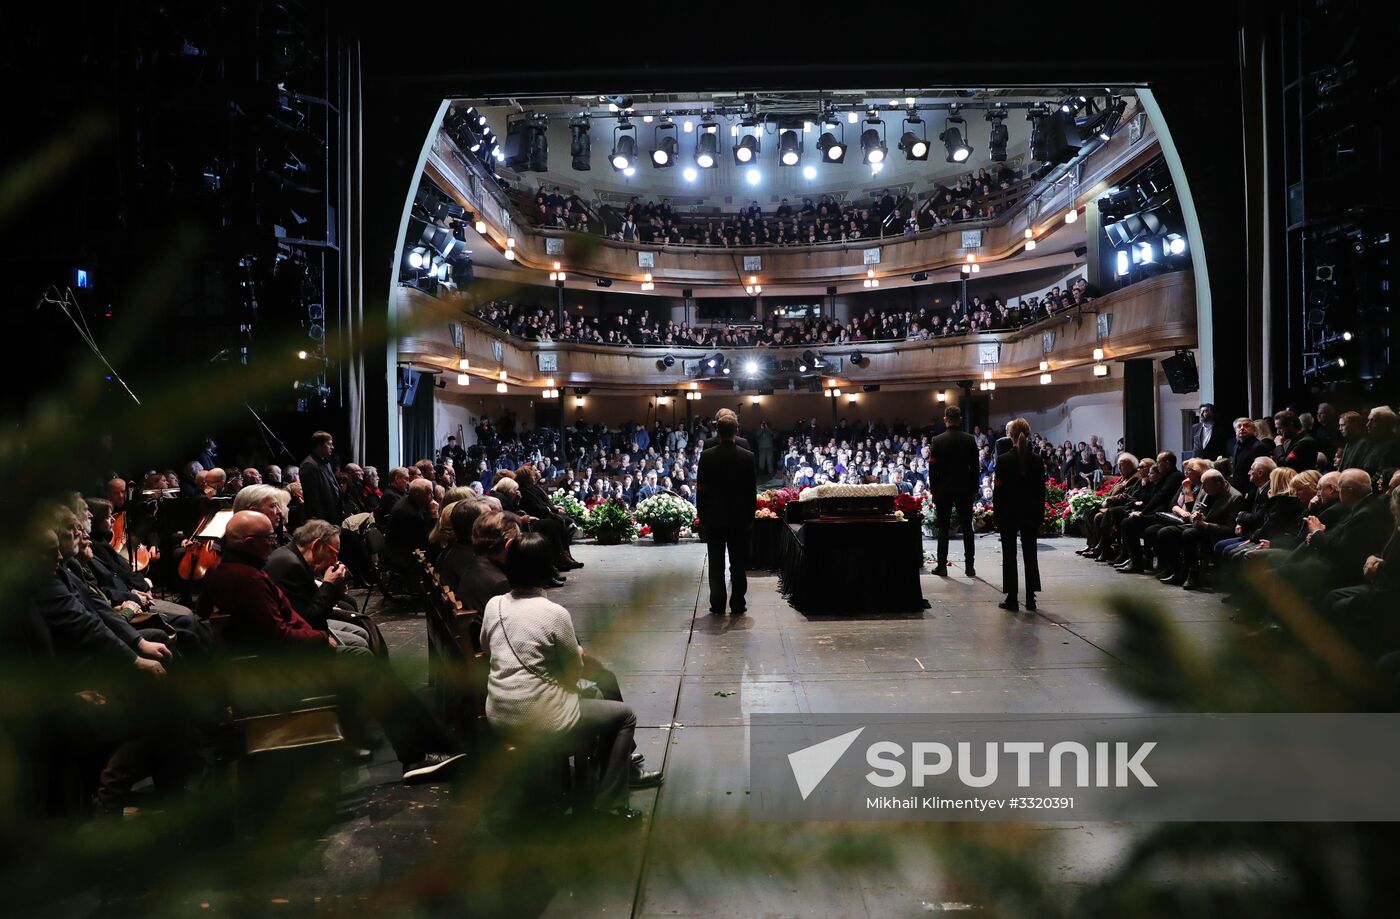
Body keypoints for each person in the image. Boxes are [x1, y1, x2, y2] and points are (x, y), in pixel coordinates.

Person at [198, 511, 464, 783]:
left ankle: (425, 750)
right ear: (249, 541)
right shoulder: (250, 578)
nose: (273, 541)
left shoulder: (222, 570)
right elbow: (278, 635)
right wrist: (319, 638)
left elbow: (210, 612)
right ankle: (421, 753)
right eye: (267, 538)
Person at [480, 533, 660, 826]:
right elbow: (574, 671)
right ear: (546, 567)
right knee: (624, 715)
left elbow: (488, 648)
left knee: (597, 699)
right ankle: (609, 804)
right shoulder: (554, 613)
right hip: (544, 717)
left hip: (500, 712)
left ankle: (591, 777)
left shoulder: (494, 605)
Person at [696, 411, 757, 616]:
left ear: (717, 431)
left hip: (714, 518)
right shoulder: (747, 457)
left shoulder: (706, 456)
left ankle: (718, 603)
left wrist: (702, 517)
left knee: (716, 564)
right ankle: (738, 603)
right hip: (739, 518)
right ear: (736, 431)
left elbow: (701, 490)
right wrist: (750, 517)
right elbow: (751, 491)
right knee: (738, 564)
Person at [993, 418, 1046, 611]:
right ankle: (1031, 598)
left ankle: (1012, 598)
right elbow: (1041, 492)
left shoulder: (1004, 460)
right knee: (1030, 554)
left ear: (1010, 435)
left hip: (1008, 512)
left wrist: (996, 515)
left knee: (1009, 555)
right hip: (1030, 512)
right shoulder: (1037, 460)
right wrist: (1040, 517)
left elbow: (998, 491)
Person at [929, 405, 980, 578]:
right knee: (967, 528)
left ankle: (942, 566)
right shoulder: (969, 439)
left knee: (943, 528)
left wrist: (934, 490)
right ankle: (969, 566)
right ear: (960, 419)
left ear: (945, 420)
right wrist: (974, 489)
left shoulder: (937, 440)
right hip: (964, 488)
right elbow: (975, 468)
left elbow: (932, 469)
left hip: (943, 489)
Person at [298, 431, 341, 523]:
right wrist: (322, 522)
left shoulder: (325, 462)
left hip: (334, 514)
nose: (332, 447)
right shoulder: (308, 465)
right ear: (319, 445)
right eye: (329, 444)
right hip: (324, 519)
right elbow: (313, 499)